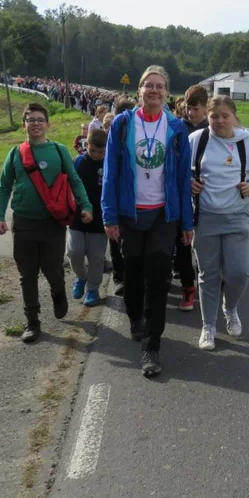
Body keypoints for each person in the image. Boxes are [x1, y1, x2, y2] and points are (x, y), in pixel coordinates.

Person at [102, 66, 194, 378]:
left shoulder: (177, 128)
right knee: (133, 271)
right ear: (139, 91)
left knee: (158, 277)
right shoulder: (123, 124)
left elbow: (183, 180)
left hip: (162, 215)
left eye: (160, 86)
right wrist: (109, 214)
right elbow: (111, 173)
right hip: (130, 213)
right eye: (148, 85)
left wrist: (186, 222)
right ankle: (135, 317)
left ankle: (152, 346)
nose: (154, 90)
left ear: (167, 92)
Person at [0, 103, 93, 343]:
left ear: (48, 124)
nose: (36, 124)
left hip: (53, 224)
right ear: (24, 124)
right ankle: (32, 322)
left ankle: (58, 292)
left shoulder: (58, 151)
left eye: (40, 120)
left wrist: (86, 206)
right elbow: (3, 186)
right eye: (31, 120)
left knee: (53, 270)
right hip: (24, 223)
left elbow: (76, 180)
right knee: (26, 274)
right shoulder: (15, 153)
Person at [189, 96, 249, 350]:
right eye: (214, 116)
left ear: (234, 117)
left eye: (224, 116)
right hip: (205, 217)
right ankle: (208, 327)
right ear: (207, 115)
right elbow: (177, 170)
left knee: (240, 273)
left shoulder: (247, 142)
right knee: (208, 275)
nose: (219, 121)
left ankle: (231, 307)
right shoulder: (197, 140)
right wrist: (188, 183)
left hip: (237, 216)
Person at [174, 84, 210, 310]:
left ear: (205, 108)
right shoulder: (178, 129)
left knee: (207, 247)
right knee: (183, 245)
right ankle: (188, 287)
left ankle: (212, 283)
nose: (190, 113)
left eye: (195, 108)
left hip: (209, 200)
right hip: (182, 197)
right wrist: (186, 181)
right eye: (188, 108)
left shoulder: (215, 127)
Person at [67, 128, 108, 306]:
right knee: (74, 252)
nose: (97, 155)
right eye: (93, 151)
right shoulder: (78, 162)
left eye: (101, 151)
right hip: (77, 217)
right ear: (86, 145)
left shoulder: (109, 164)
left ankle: (93, 289)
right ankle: (81, 276)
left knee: (96, 257)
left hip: (100, 219)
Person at [107, 95, 137, 297]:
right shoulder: (114, 134)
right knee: (120, 243)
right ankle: (124, 278)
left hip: (121, 199)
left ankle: (123, 278)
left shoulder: (125, 132)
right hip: (124, 198)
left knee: (119, 243)